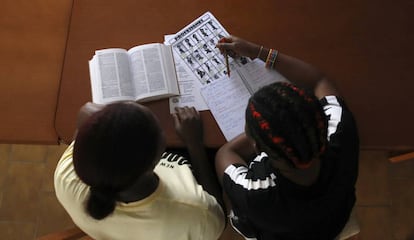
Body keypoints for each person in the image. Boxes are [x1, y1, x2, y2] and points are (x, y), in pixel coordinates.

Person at [215, 36, 359, 240]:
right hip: (333, 220)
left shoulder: (255, 192)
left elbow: (225, 152)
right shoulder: (341, 132)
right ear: (319, 117)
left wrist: (263, 132)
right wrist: (260, 52)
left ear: (256, 147)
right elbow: (320, 81)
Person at [54, 101, 225, 239]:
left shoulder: (66, 176)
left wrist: (101, 119)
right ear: (157, 159)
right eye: (160, 130)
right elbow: (219, 214)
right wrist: (194, 144)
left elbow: (86, 118)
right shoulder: (196, 212)